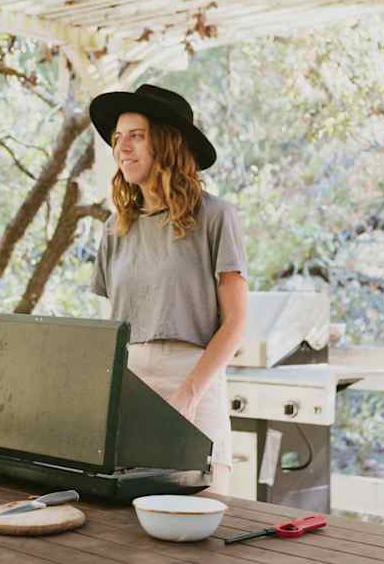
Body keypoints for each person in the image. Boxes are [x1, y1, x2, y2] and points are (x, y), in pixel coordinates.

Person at [88, 84, 248, 496]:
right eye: (117, 138)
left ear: (166, 142)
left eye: (135, 135)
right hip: (130, 386)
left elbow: (236, 322)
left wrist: (190, 392)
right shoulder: (114, 228)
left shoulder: (216, 217)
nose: (122, 147)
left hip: (195, 380)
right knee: (124, 529)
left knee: (204, 518)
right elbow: (115, 326)